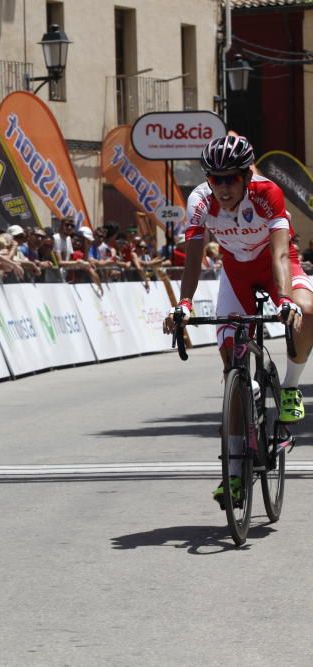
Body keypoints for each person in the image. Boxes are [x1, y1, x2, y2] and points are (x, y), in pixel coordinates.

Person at [163, 134, 313, 506]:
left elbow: (280, 254)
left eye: (231, 178)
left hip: (275, 262)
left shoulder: (267, 192)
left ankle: (291, 386)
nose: (224, 186)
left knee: (307, 312)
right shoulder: (199, 200)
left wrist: (283, 301)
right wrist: (183, 304)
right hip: (236, 272)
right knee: (232, 362)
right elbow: (194, 258)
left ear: (247, 175)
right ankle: (232, 477)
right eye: (216, 179)